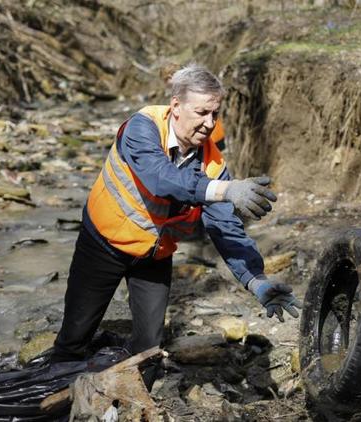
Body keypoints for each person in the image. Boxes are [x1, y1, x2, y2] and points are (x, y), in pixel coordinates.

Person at [50, 64, 302, 373]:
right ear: (176, 107)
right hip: (104, 244)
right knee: (73, 340)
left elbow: (226, 228)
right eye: (201, 113)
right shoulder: (142, 128)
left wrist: (255, 280)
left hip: (152, 256)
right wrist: (224, 189)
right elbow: (161, 178)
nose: (209, 123)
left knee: (149, 350)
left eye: (215, 114)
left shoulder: (212, 162)